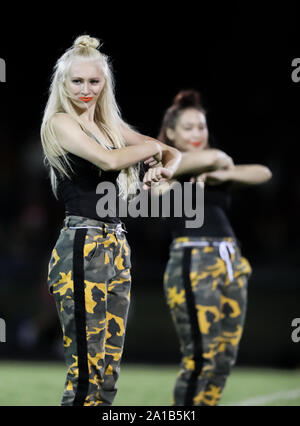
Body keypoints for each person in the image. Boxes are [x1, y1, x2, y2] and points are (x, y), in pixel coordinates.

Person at [40, 35, 181, 406]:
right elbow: (109, 161)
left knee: (108, 373)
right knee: (86, 373)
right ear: (63, 83)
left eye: (94, 81)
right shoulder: (60, 123)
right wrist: (152, 151)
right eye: (77, 81)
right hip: (82, 245)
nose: (86, 89)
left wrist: (160, 172)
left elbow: (173, 153)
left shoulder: (111, 128)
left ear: (105, 85)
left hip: (116, 246)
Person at [156, 90, 272, 406]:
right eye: (190, 127)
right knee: (200, 357)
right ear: (171, 133)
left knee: (224, 358)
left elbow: (263, 172)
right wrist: (215, 161)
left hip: (230, 260)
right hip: (193, 259)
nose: (198, 133)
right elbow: (211, 156)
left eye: (202, 127)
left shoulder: (212, 170)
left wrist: (223, 173)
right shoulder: (164, 161)